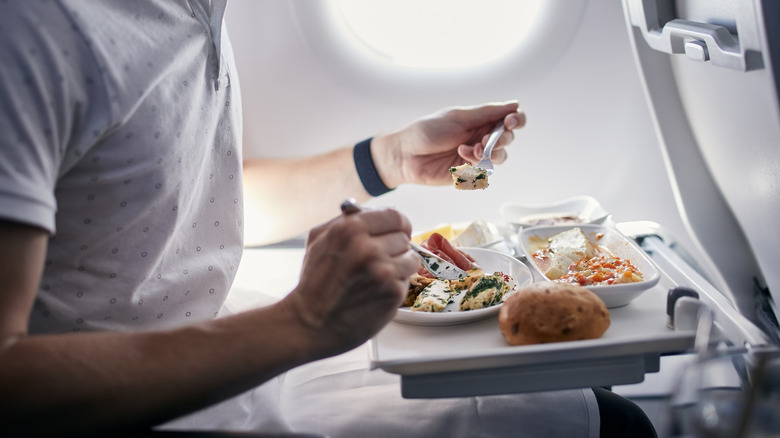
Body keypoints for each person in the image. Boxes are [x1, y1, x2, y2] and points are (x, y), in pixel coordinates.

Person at [0, 1, 655, 437]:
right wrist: (303, 321)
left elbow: (193, 205)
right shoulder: (35, 33)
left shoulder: (197, 11)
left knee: (592, 403)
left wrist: (387, 159)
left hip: (228, 340)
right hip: (145, 402)